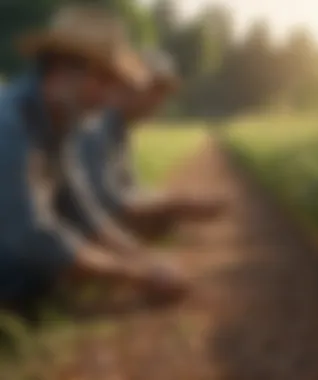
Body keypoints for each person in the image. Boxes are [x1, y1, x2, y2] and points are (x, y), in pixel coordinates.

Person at [0, 5, 189, 321]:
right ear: (61, 69)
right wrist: (136, 275)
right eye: (103, 81)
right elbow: (30, 235)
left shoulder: (64, 124)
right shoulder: (9, 125)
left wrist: (143, 257)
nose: (107, 98)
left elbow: (82, 207)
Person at [56, 48, 225, 249]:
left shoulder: (117, 127)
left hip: (78, 224)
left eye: (164, 93)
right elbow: (107, 203)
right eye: (157, 90)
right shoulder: (98, 127)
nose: (160, 102)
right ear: (130, 85)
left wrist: (174, 203)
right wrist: (177, 206)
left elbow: (130, 188)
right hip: (61, 234)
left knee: (160, 219)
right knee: (157, 220)